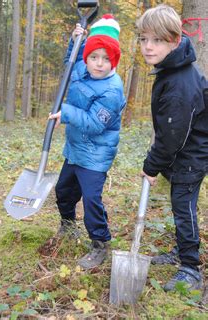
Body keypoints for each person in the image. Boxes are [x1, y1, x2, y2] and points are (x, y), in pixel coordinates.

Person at [136, 5, 208, 291]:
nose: (148, 47)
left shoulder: (180, 82)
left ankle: (191, 268)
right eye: (143, 39)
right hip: (183, 153)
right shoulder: (173, 68)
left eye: (157, 40)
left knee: (184, 208)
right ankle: (181, 251)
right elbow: (169, 130)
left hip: (190, 157)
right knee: (182, 206)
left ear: (175, 40)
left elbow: (172, 136)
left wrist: (151, 166)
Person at [49, 14, 126, 270]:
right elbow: (69, 64)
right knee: (63, 192)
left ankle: (99, 242)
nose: (99, 64)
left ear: (113, 60)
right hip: (75, 148)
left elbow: (95, 124)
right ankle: (68, 227)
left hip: (95, 154)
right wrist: (74, 43)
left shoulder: (112, 89)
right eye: (94, 57)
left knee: (91, 199)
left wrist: (67, 113)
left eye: (106, 59)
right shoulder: (83, 67)